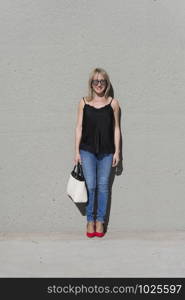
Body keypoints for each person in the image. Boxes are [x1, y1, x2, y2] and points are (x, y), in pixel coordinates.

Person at [74, 67, 121, 238]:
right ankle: (90, 220)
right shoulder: (84, 103)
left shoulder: (113, 103)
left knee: (103, 187)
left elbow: (116, 128)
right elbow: (78, 127)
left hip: (107, 151)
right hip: (87, 150)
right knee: (91, 185)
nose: (99, 84)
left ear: (106, 83)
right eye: (96, 81)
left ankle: (100, 221)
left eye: (102, 81)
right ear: (91, 84)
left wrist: (118, 152)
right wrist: (76, 151)